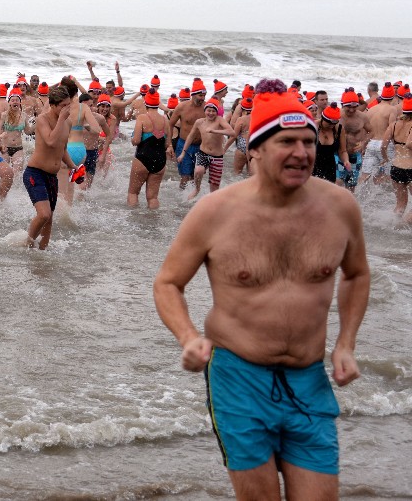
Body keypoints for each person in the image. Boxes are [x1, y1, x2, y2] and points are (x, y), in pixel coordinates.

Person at [153, 82, 370, 500]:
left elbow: (357, 274)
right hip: (238, 379)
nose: (303, 152)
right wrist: (187, 337)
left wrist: (346, 343)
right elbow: (168, 282)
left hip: (310, 380)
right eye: (287, 141)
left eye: (308, 141)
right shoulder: (215, 212)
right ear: (255, 149)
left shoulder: (340, 207)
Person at [23, 83, 80, 248]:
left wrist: (73, 166)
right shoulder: (43, 119)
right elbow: (50, 141)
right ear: (53, 105)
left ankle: (42, 251)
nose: (67, 109)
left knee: (49, 219)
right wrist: (61, 119)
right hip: (35, 173)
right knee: (44, 214)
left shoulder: (67, 123)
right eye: (63, 106)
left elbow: (61, 148)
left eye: (68, 105)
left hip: (51, 176)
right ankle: (27, 246)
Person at [178, 98, 236, 200]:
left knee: (214, 187)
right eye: (208, 110)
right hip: (203, 153)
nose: (211, 113)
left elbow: (232, 133)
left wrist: (215, 131)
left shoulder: (219, 120)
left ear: (216, 112)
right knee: (199, 170)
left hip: (217, 156)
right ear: (205, 111)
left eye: (213, 111)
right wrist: (183, 153)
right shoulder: (199, 122)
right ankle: (197, 189)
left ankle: (212, 202)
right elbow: (190, 137)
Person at [128, 90, 172, 209]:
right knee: (153, 197)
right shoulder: (165, 120)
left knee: (133, 193)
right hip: (160, 160)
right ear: (158, 104)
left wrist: (132, 139)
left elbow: (136, 141)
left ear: (145, 103)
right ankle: (153, 224)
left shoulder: (142, 118)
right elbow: (167, 143)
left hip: (143, 158)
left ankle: (133, 222)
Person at [168, 78, 209, 188]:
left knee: (195, 176)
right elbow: (170, 125)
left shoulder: (207, 108)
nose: (203, 98)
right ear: (193, 95)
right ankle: (182, 203)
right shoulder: (182, 107)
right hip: (184, 145)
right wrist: (170, 145)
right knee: (185, 177)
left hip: (201, 147)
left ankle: (192, 201)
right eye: (200, 96)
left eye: (204, 96)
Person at [382, 96, 412, 223]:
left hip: (396, 167)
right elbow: (410, 144)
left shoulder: (394, 125)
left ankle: (393, 225)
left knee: (400, 204)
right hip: (410, 167)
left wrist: (386, 159)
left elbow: (383, 145)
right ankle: (404, 227)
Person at [336, 88, 373, 192]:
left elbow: (372, 131)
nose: (351, 110)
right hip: (338, 155)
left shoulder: (362, 117)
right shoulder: (337, 115)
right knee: (337, 182)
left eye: (354, 107)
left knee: (351, 186)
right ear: (343, 104)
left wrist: (363, 143)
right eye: (348, 107)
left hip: (354, 155)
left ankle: (349, 207)